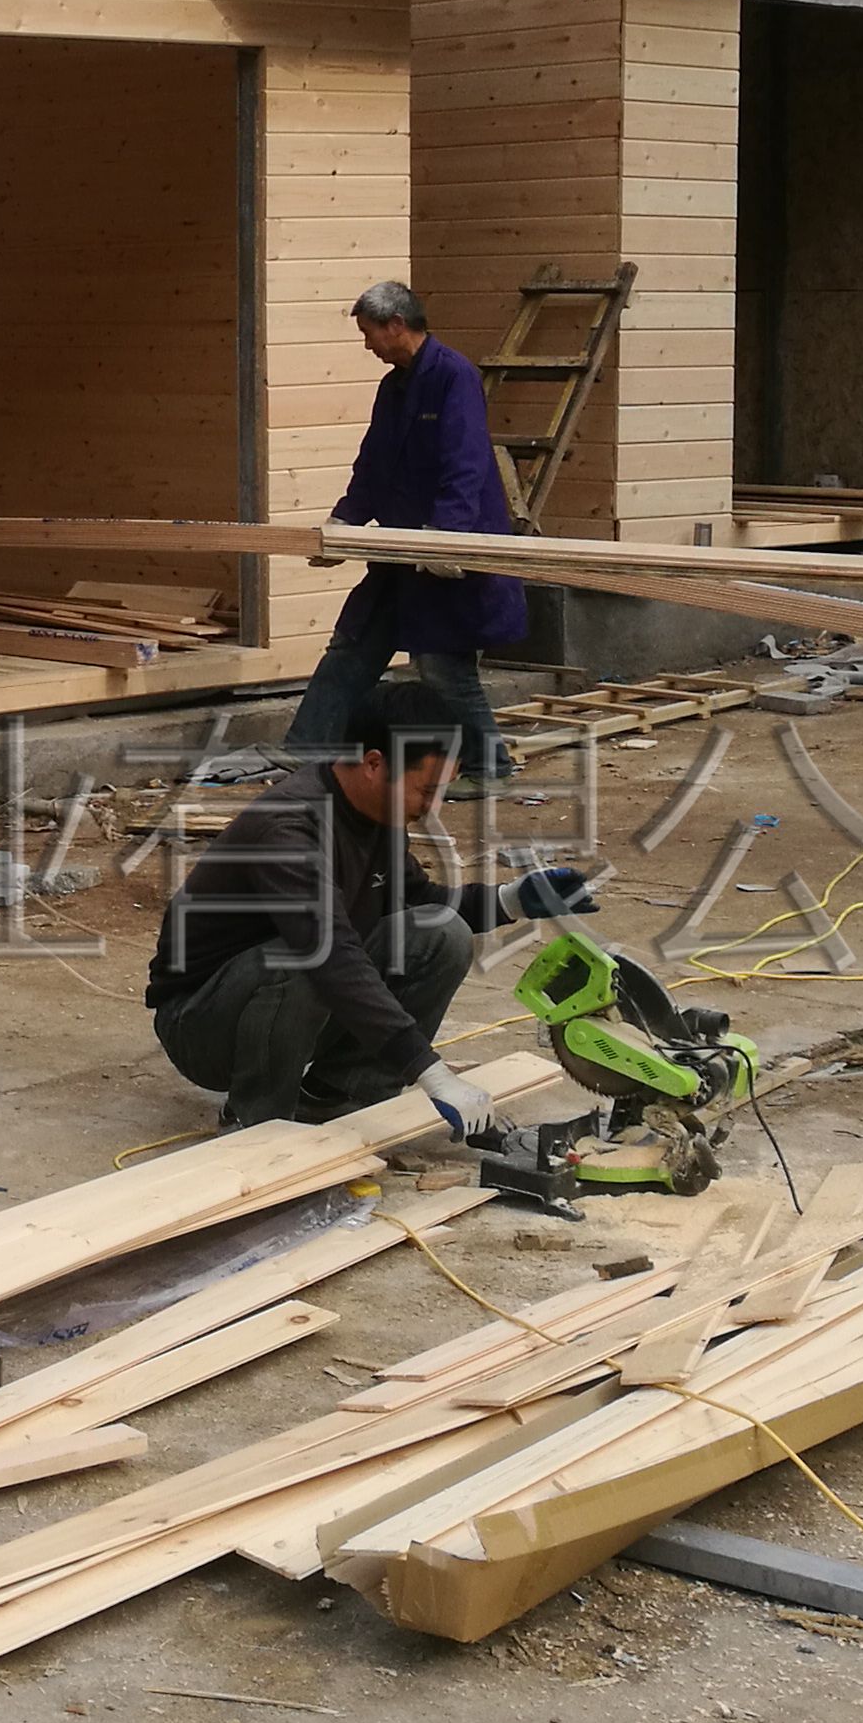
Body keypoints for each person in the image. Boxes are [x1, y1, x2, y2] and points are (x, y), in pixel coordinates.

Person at [148, 678, 596, 1132]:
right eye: (426, 790)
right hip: (201, 1024)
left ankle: (340, 1094)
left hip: (284, 998)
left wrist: (512, 900)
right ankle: (258, 1118)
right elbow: (331, 955)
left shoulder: (380, 812)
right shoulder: (290, 828)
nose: (434, 807)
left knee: (443, 935)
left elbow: (420, 903)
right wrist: (429, 1071)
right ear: (374, 764)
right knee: (310, 960)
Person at [284, 282, 526, 778]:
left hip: (444, 557)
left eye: (368, 333)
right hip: (399, 556)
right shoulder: (392, 387)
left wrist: (446, 536)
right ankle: (303, 753)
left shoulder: (454, 376)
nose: (366, 344)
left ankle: (490, 768)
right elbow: (374, 464)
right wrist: (345, 522)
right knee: (351, 650)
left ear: (396, 325)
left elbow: (465, 463)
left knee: (443, 670)